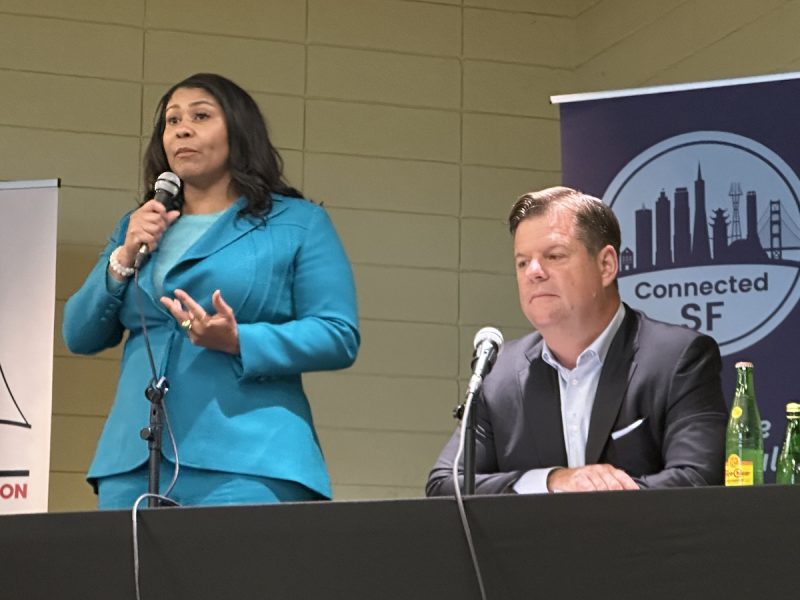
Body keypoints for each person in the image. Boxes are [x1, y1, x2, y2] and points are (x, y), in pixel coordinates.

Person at [63, 73, 360, 508]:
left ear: (238, 131)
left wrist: (240, 339)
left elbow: (338, 334)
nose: (182, 129)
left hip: (249, 459)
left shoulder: (297, 223)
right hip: (133, 463)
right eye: (172, 120)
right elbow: (79, 334)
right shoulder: (139, 225)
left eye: (201, 116)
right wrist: (124, 255)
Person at [426, 186, 726, 495]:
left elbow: (697, 481)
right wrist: (552, 481)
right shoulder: (499, 374)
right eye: (522, 262)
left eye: (554, 256)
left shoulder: (678, 359)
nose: (534, 272)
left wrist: (591, 496)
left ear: (606, 265)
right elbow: (444, 486)